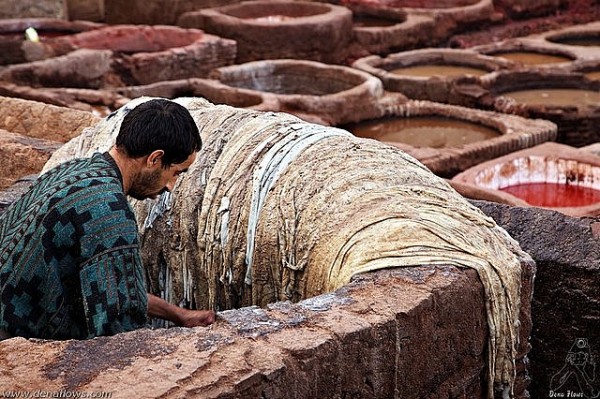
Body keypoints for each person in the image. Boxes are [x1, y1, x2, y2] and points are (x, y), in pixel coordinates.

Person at [0, 98, 215, 340]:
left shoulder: (73, 171)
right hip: (15, 344)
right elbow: (120, 332)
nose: (171, 186)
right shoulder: (109, 212)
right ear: (154, 159)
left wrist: (179, 315)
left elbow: (119, 289)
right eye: (175, 172)